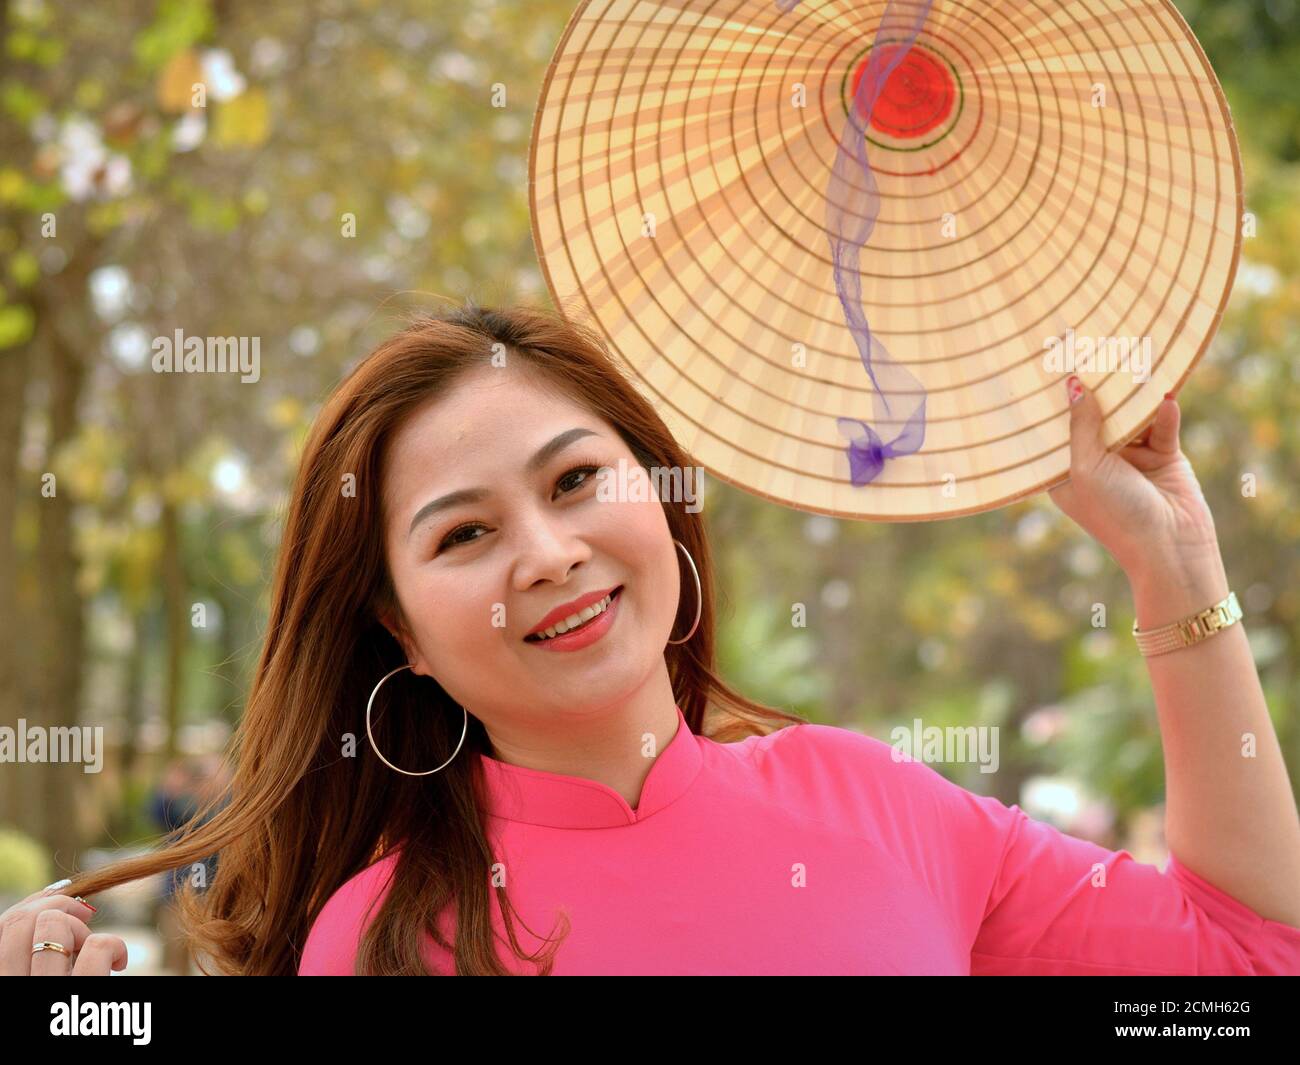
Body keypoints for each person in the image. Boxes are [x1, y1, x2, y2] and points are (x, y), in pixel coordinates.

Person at [5, 300, 1299, 975]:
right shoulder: (384, 938)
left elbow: (1251, 950)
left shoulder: (883, 803)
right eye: (464, 535)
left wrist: (1172, 562)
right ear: (397, 626)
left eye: (576, 481)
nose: (549, 551)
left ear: (660, 493)